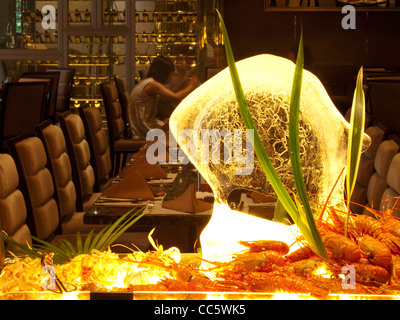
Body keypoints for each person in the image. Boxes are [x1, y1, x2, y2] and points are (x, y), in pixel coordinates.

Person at [129, 56, 200, 139]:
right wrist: (192, 85)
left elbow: (169, 94)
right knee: (183, 131)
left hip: (143, 124)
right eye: (170, 75)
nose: (171, 78)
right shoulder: (153, 85)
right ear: (164, 73)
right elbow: (176, 97)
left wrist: (162, 121)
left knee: (177, 126)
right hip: (145, 128)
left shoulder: (148, 82)